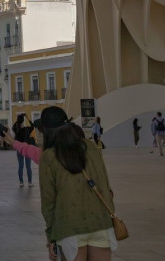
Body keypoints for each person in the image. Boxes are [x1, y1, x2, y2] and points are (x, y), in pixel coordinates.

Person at [39, 106, 117, 261]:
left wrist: (51, 236)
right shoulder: (91, 147)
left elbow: (49, 202)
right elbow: (105, 186)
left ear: (46, 131)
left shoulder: (49, 157)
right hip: (100, 222)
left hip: (70, 226)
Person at [14, 114, 34, 186]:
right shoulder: (26, 129)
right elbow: (33, 126)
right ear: (23, 121)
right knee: (28, 166)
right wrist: (27, 117)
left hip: (19, 149)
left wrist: (18, 118)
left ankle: (21, 182)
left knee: (20, 166)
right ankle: (30, 182)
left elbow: (15, 124)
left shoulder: (16, 129)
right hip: (27, 149)